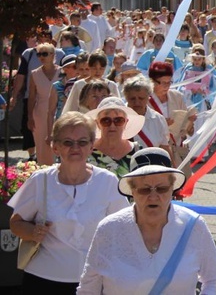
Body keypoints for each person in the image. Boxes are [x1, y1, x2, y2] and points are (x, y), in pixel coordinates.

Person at [8, 112, 128, 293]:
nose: (75, 148)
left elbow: (123, 229)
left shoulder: (108, 181)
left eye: (82, 142)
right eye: (67, 142)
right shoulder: (40, 180)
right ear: (55, 147)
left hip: (94, 281)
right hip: (43, 280)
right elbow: (15, 223)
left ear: (91, 146)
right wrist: (33, 232)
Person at [78, 147, 216, 293]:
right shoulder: (109, 229)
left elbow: (215, 279)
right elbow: (88, 289)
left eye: (161, 189)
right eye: (144, 189)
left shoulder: (193, 225)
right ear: (132, 191)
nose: (153, 197)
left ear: (172, 188)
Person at [149, 61, 195, 171]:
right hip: (155, 150)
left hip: (176, 150)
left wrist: (190, 122)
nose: (167, 86)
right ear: (152, 82)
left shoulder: (177, 97)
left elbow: (188, 132)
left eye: (169, 82)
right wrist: (162, 124)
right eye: (163, 83)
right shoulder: (144, 99)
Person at [87, 97, 145, 178]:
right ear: (97, 123)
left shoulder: (138, 151)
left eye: (118, 120)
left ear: (126, 123)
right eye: (106, 120)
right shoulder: (87, 152)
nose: (112, 126)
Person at [123, 75, 173, 161]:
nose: (137, 102)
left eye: (141, 98)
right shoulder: (118, 119)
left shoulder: (158, 119)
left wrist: (173, 171)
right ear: (126, 98)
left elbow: (164, 148)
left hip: (152, 168)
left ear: (148, 98)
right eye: (132, 99)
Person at [27, 43, 61, 165]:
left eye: (45, 54)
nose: (41, 57)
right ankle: (43, 174)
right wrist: (30, 117)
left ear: (52, 55)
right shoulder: (34, 74)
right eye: (39, 54)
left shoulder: (62, 72)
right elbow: (31, 97)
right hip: (40, 114)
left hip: (58, 112)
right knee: (41, 146)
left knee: (58, 144)